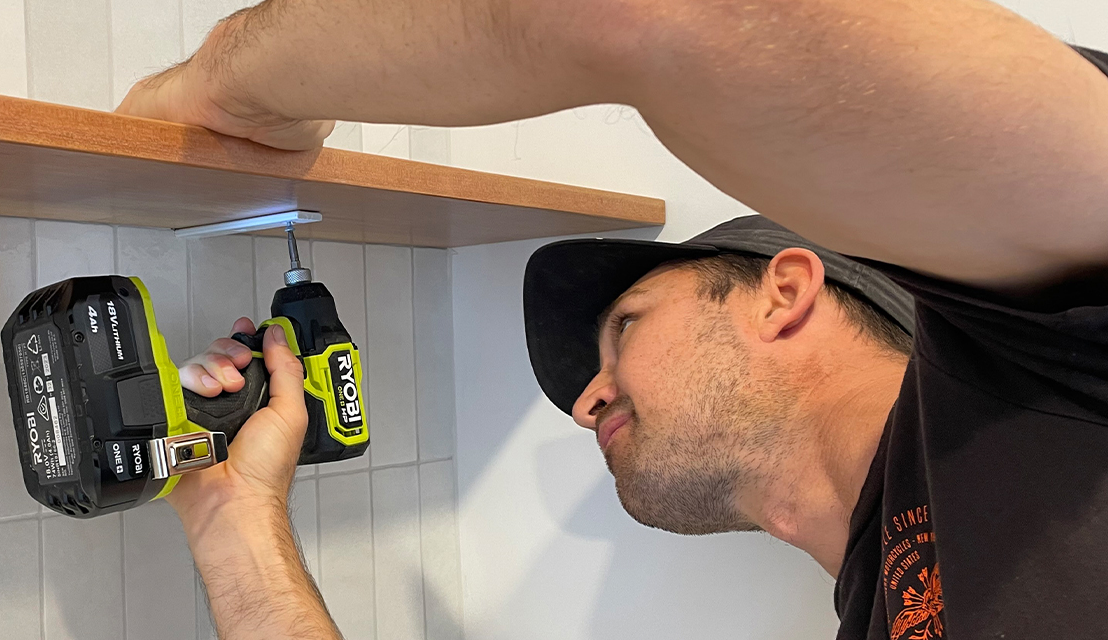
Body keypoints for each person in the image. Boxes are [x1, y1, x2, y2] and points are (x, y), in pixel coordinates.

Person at [120, 0, 1108, 638]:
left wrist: (222, 89)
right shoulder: (883, 602)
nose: (586, 400)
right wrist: (237, 521)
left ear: (785, 292)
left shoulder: (1051, 356)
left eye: (625, 325)